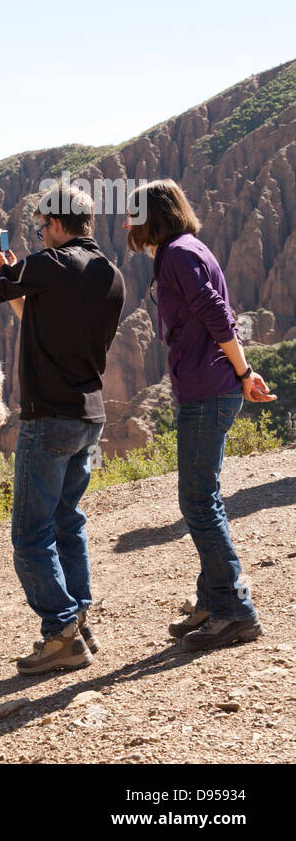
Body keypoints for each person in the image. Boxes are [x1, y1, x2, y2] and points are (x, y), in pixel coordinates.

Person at [0, 184, 125, 674]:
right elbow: (34, 313)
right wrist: (13, 275)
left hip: (48, 416)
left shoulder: (49, 264)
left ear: (55, 223)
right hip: (88, 417)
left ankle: (60, 633)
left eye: (39, 226)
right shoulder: (110, 275)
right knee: (66, 521)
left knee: (30, 534)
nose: (37, 234)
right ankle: (79, 623)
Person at [125, 179, 272, 651]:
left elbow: (216, 314)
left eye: (133, 213)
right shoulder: (185, 249)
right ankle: (211, 601)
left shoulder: (177, 255)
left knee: (198, 499)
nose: (126, 223)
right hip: (212, 386)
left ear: (153, 214)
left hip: (207, 390)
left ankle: (235, 611)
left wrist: (244, 370)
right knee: (201, 496)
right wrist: (242, 374)